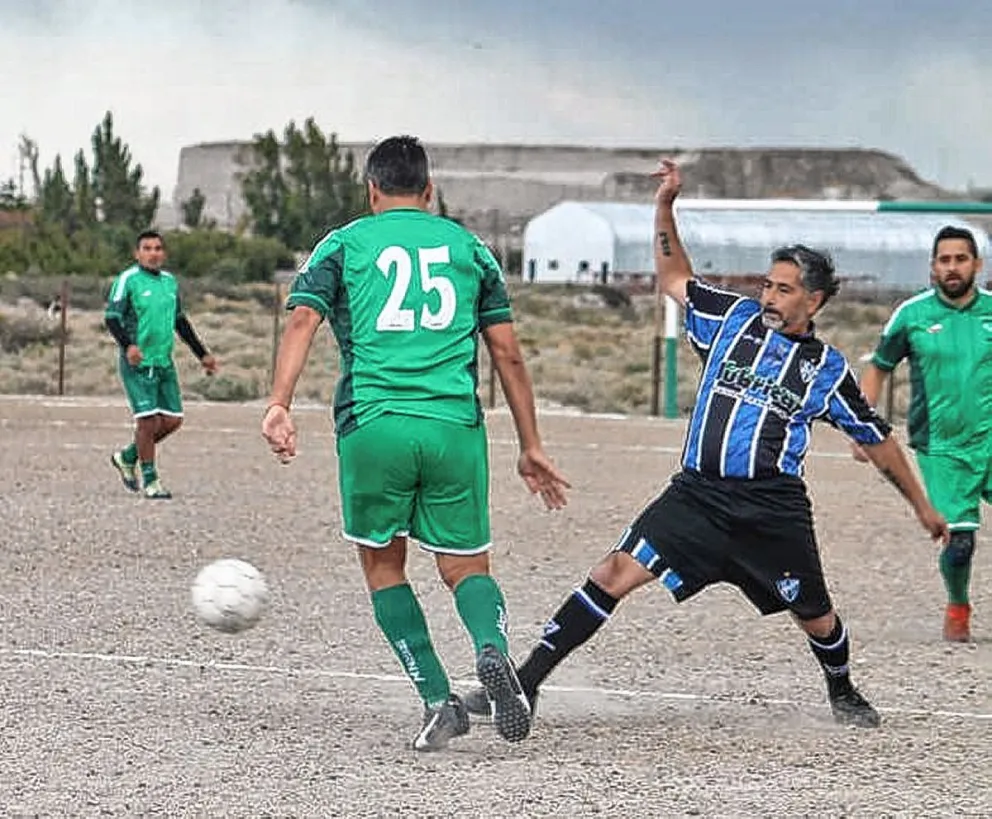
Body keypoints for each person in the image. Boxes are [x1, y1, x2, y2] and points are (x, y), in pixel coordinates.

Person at [463, 158, 949, 730]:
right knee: (613, 571)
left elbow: (880, 440)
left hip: (771, 509)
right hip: (696, 495)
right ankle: (527, 682)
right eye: (768, 284)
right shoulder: (731, 319)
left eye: (784, 290)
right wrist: (665, 206)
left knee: (814, 613)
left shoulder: (826, 370)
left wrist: (922, 508)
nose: (769, 296)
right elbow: (673, 279)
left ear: (813, 302)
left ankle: (841, 690)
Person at [260, 135, 569, 752]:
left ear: (371, 189)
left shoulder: (343, 243)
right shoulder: (471, 249)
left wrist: (279, 403)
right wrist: (531, 445)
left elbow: (302, 319)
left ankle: (437, 699)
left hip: (375, 424)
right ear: (429, 191)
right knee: (464, 566)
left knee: (382, 564)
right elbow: (506, 352)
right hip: (453, 428)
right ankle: (492, 649)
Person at [853, 225, 989, 642]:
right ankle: (958, 605)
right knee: (960, 542)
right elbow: (879, 366)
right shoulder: (911, 315)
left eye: (960, 259)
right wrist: (862, 424)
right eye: (944, 260)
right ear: (933, 267)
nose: (952, 267)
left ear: (976, 265)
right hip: (942, 447)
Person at [105, 230, 218, 499]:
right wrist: (128, 345)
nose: (153, 253)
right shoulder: (128, 280)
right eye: (147, 248)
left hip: (164, 362)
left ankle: (127, 456)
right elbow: (112, 318)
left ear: (163, 253)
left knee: (172, 420)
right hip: (138, 364)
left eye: (157, 248)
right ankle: (151, 480)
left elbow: (180, 322)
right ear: (137, 253)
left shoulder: (169, 283)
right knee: (146, 422)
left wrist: (202, 354)